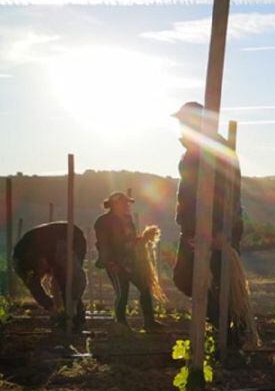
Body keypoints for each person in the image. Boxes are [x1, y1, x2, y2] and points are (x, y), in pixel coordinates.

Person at [171, 101, 245, 343]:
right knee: (185, 278)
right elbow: (188, 189)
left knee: (223, 283)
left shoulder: (217, 149)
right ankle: (220, 325)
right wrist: (186, 222)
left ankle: (231, 335)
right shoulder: (191, 150)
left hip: (215, 228)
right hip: (193, 227)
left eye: (186, 121)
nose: (182, 125)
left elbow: (230, 191)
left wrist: (222, 230)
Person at [94, 192, 160, 330]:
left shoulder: (127, 219)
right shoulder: (103, 221)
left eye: (128, 203)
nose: (127, 205)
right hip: (115, 263)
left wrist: (143, 238)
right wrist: (111, 262)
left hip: (131, 261)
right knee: (122, 293)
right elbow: (103, 244)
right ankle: (121, 323)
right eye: (124, 203)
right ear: (115, 204)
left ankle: (149, 322)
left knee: (145, 288)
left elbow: (131, 240)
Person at [12, 221, 87, 330]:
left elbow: (78, 278)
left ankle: (76, 316)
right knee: (59, 280)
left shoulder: (60, 250)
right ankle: (65, 316)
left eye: (43, 269)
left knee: (67, 280)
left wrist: (73, 303)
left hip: (72, 237)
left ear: (43, 260)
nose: (45, 274)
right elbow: (35, 289)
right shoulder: (22, 265)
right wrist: (51, 308)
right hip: (46, 247)